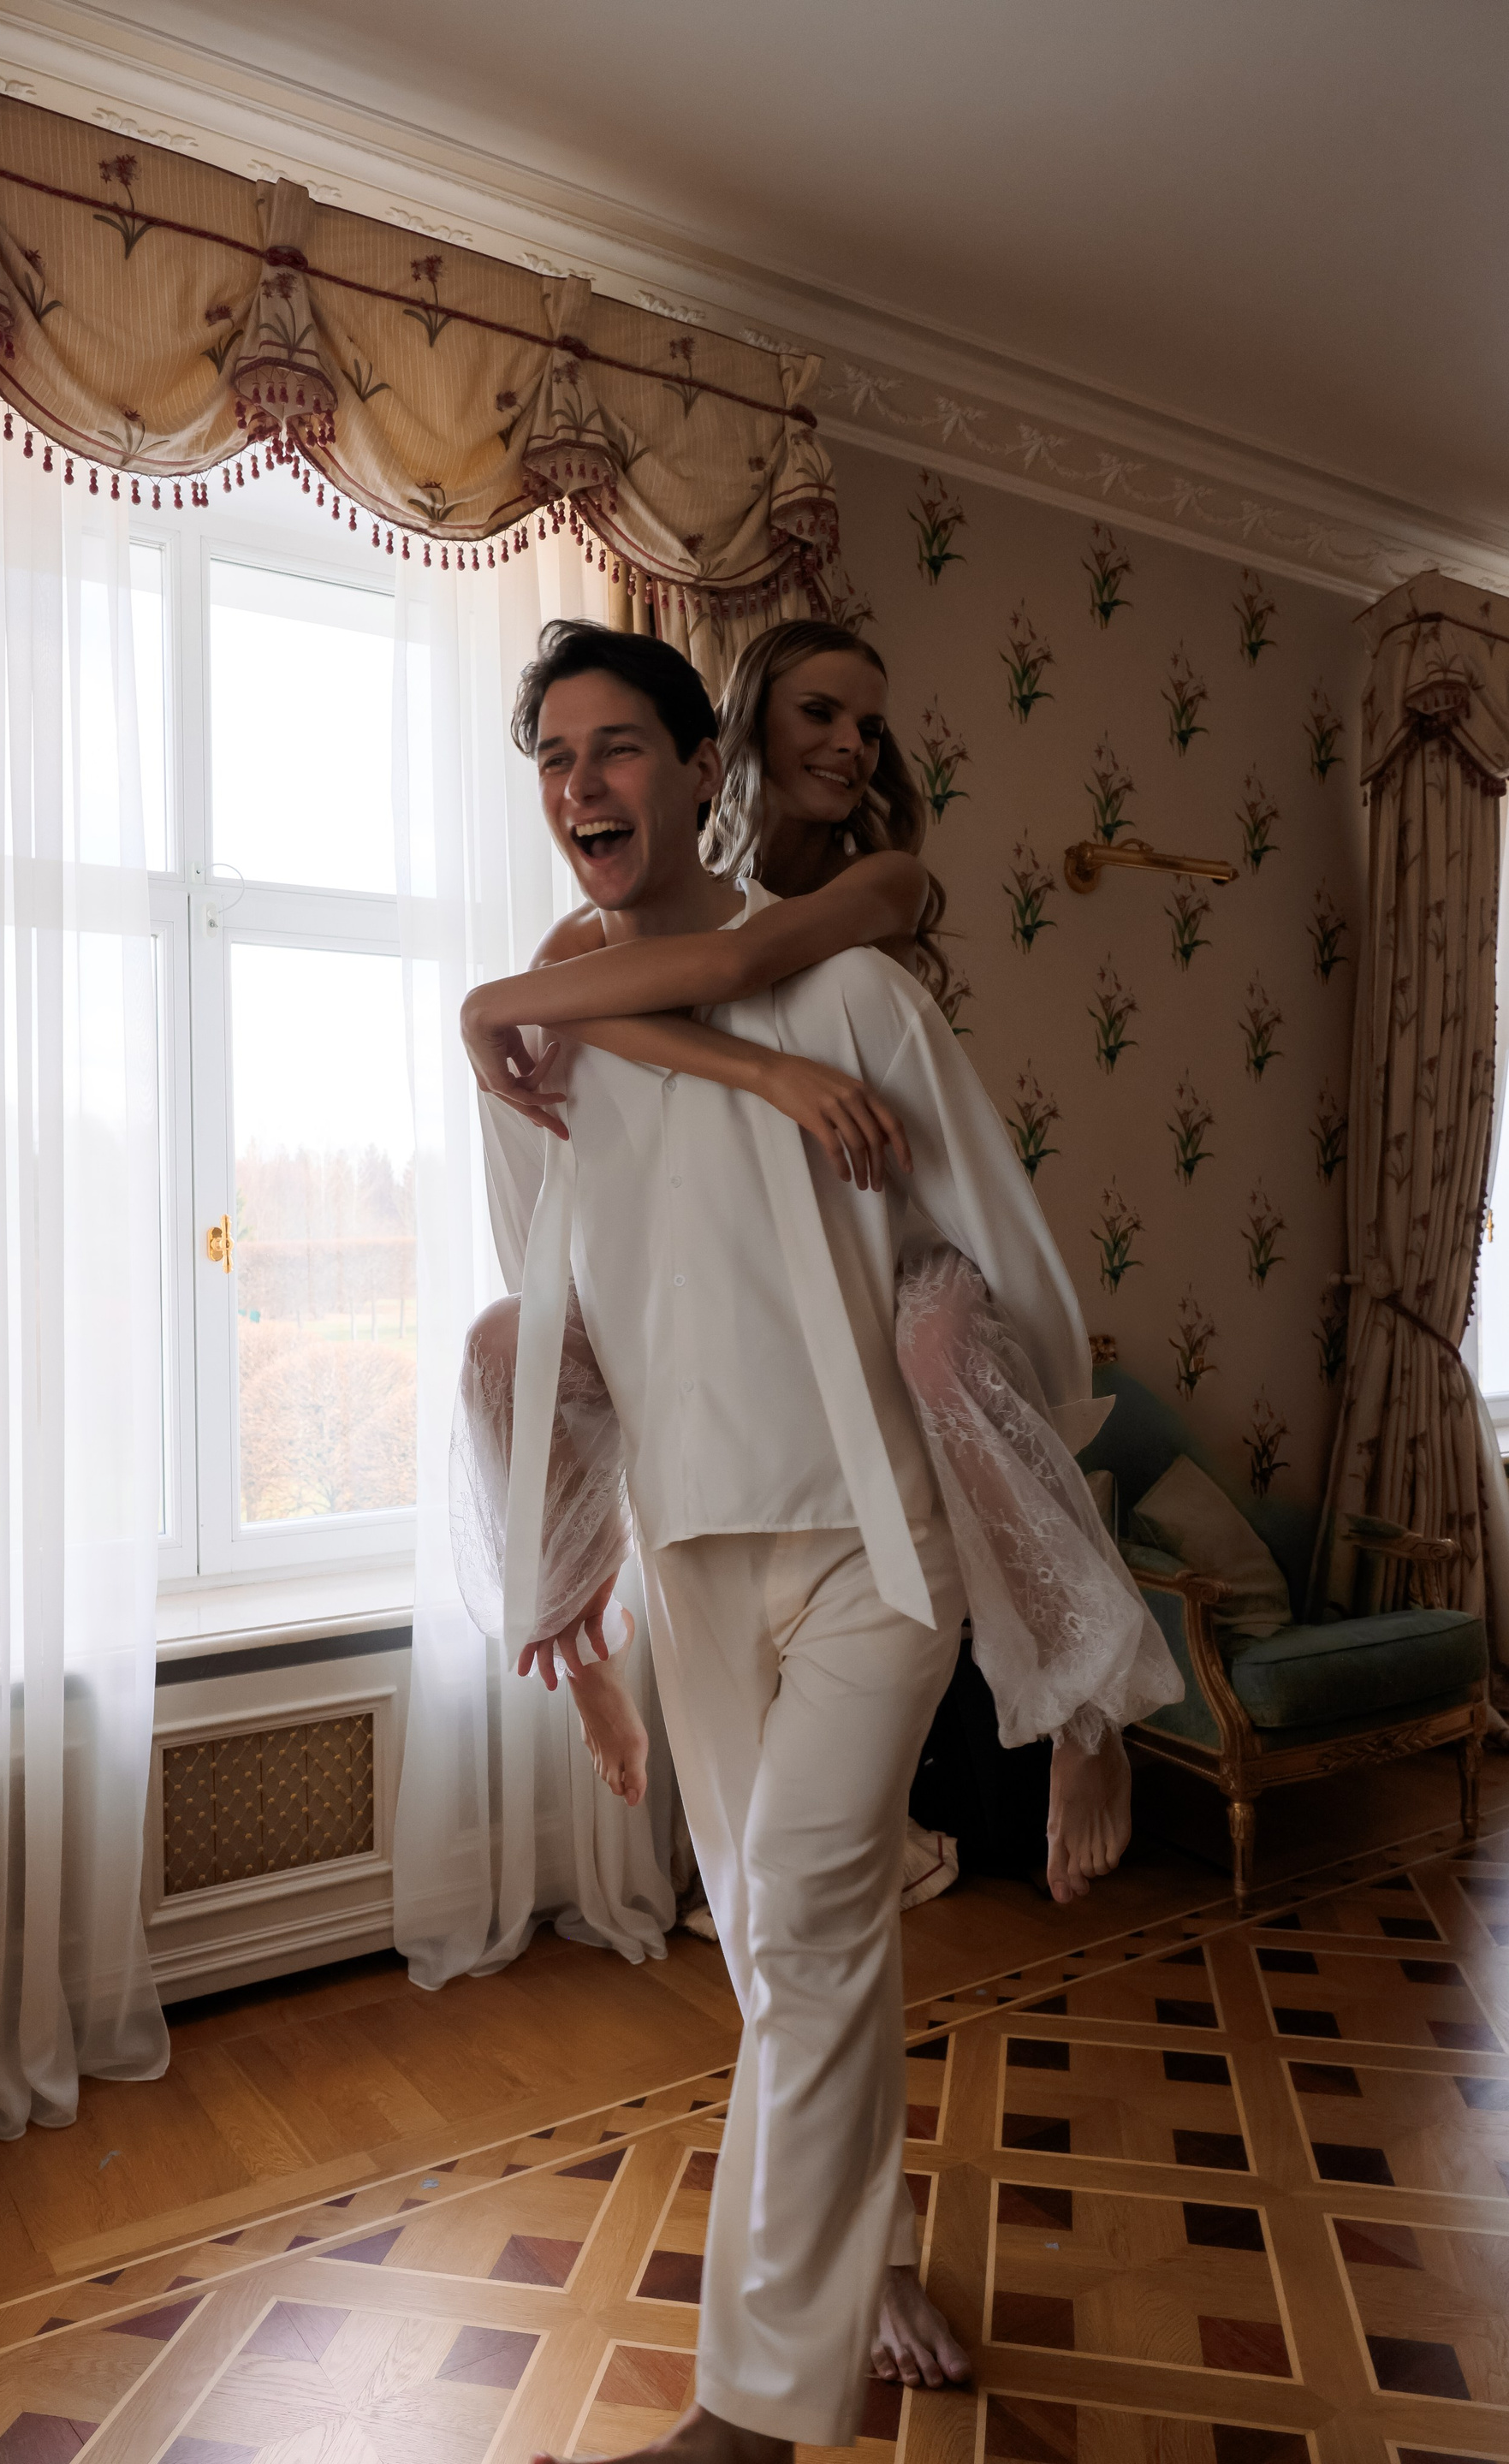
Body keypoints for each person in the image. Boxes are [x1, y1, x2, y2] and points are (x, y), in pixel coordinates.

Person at [456, 621, 1178, 2464]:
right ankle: (868, 2266)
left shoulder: (856, 997)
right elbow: (558, 1304)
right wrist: (581, 1603)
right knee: (786, 1953)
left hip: (879, 1541)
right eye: (553, 759)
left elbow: (996, 1275)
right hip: (694, 1555)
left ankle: (751, 2418)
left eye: (620, 747)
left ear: (705, 768)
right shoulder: (550, 1048)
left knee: (807, 1907)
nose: (584, 785)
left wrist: (1030, 1550)